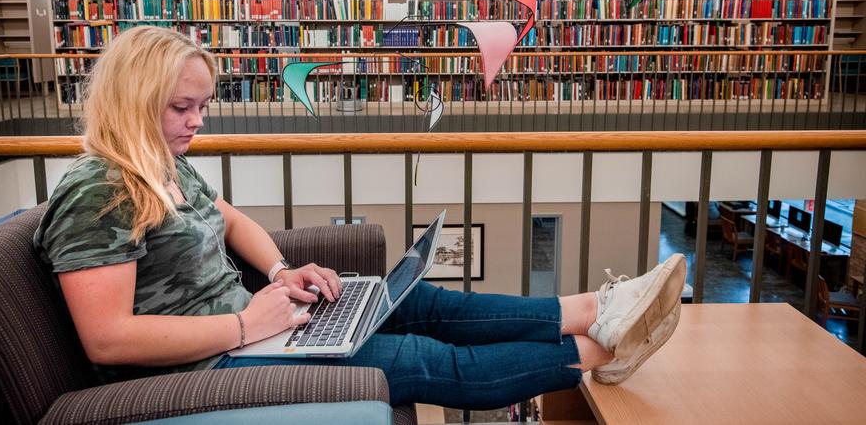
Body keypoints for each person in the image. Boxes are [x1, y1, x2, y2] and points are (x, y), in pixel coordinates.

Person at [34, 26, 687, 410]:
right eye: (182, 107)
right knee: (426, 360)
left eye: (201, 106)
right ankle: (607, 346)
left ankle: (595, 307)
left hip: (253, 326)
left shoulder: (163, 164)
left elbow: (230, 221)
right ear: (136, 99)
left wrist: (283, 271)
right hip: (206, 367)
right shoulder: (99, 189)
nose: (198, 122)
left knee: (420, 299)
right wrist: (243, 323)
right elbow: (108, 339)